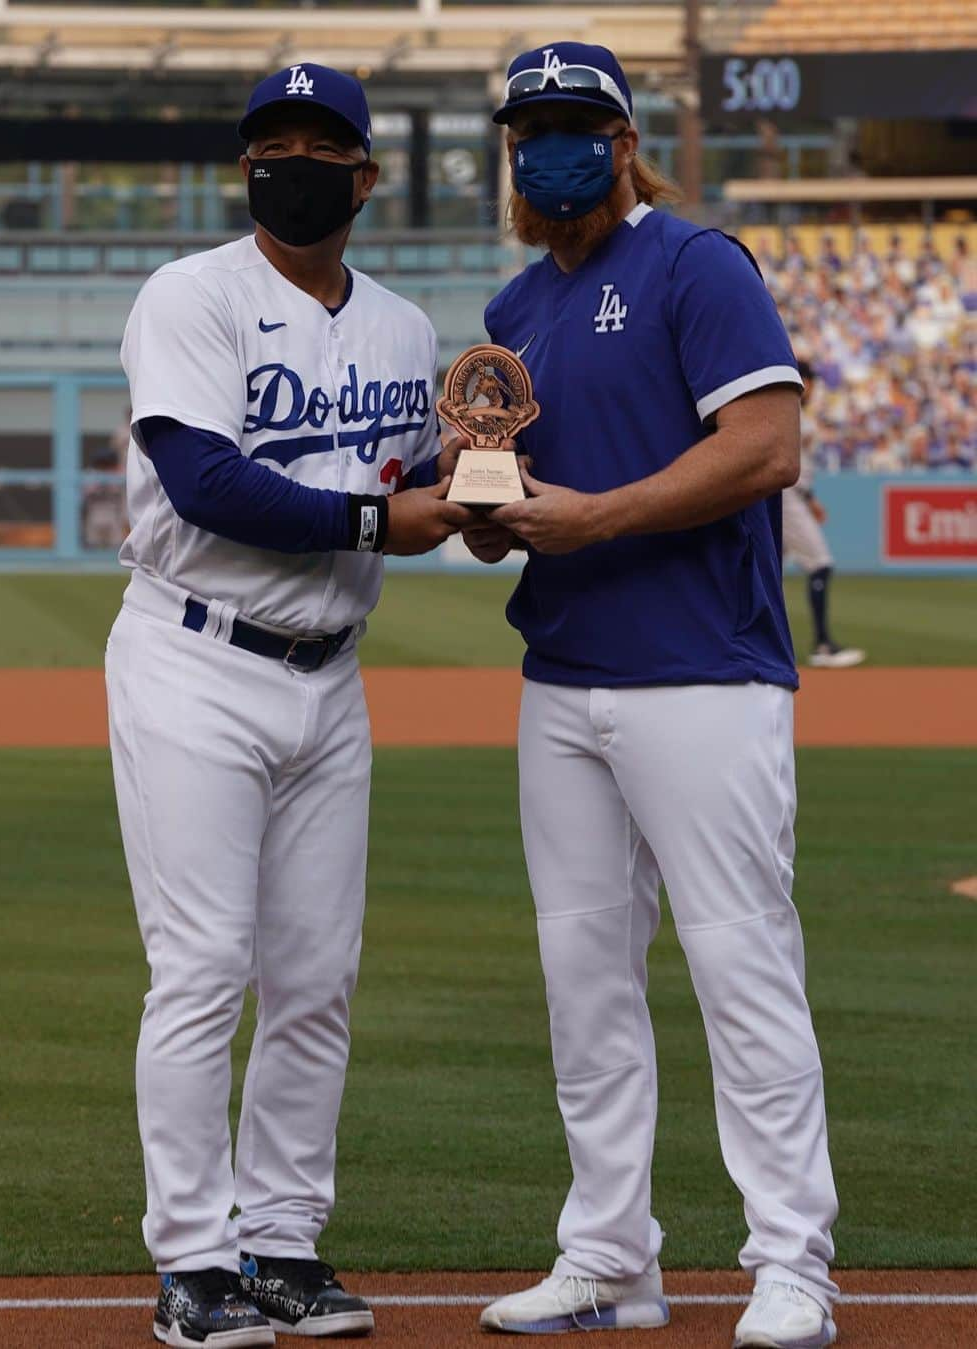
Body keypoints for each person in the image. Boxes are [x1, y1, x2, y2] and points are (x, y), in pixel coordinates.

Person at [463, 42, 839, 1348]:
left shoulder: (698, 265)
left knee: (743, 964)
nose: (550, 146)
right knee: (584, 982)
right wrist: (487, 510)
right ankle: (611, 1255)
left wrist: (596, 520)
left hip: (702, 670)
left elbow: (767, 444)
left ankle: (792, 1260)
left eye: (574, 122)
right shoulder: (514, 313)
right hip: (562, 679)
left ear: (624, 142)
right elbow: (511, 510)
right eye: (530, 127)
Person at [107, 63, 471, 1348]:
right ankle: (194, 1260)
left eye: (322, 144)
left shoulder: (407, 329)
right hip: (194, 660)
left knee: (315, 977)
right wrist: (389, 514)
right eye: (273, 142)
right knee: (204, 966)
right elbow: (209, 482)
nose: (294, 162)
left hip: (332, 673)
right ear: (245, 167)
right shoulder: (190, 295)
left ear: (365, 176)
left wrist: (477, 499)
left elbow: (432, 486)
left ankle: (283, 1242)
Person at [782, 361, 866, 668]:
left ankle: (756, 643)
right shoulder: (789, 410)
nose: (814, 388)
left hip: (789, 495)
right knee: (820, 563)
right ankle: (822, 645)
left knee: (767, 576)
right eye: (811, 381)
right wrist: (807, 498)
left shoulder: (792, 411)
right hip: (787, 496)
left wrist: (811, 499)